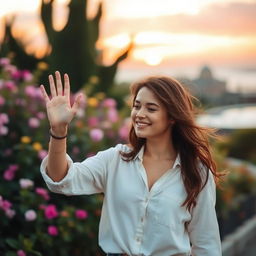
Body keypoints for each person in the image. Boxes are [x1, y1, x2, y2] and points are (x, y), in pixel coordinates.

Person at [40, 71, 222, 256]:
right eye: (137, 106)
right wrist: (58, 130)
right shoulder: (115, 159)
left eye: (151, 109)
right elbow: (61, 179)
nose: (139, 114)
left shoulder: (197, 173)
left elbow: (206, 245)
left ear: (172, 116)